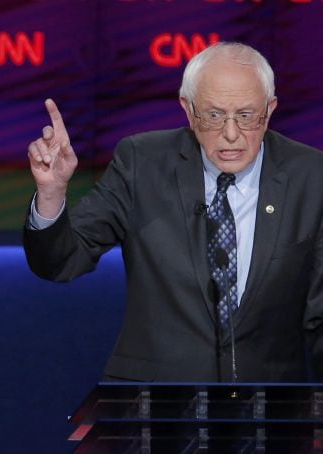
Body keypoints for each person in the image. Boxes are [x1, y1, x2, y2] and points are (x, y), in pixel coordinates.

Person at [24, 42, 323, 382]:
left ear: (269, 111)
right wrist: (51, 194)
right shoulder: (142, 163)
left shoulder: (311, 176)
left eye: (245, 115)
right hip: (154, 409)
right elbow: (61, 261)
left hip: (271, 412)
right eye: (213, 115)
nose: (230, 134)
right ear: (188, 110)